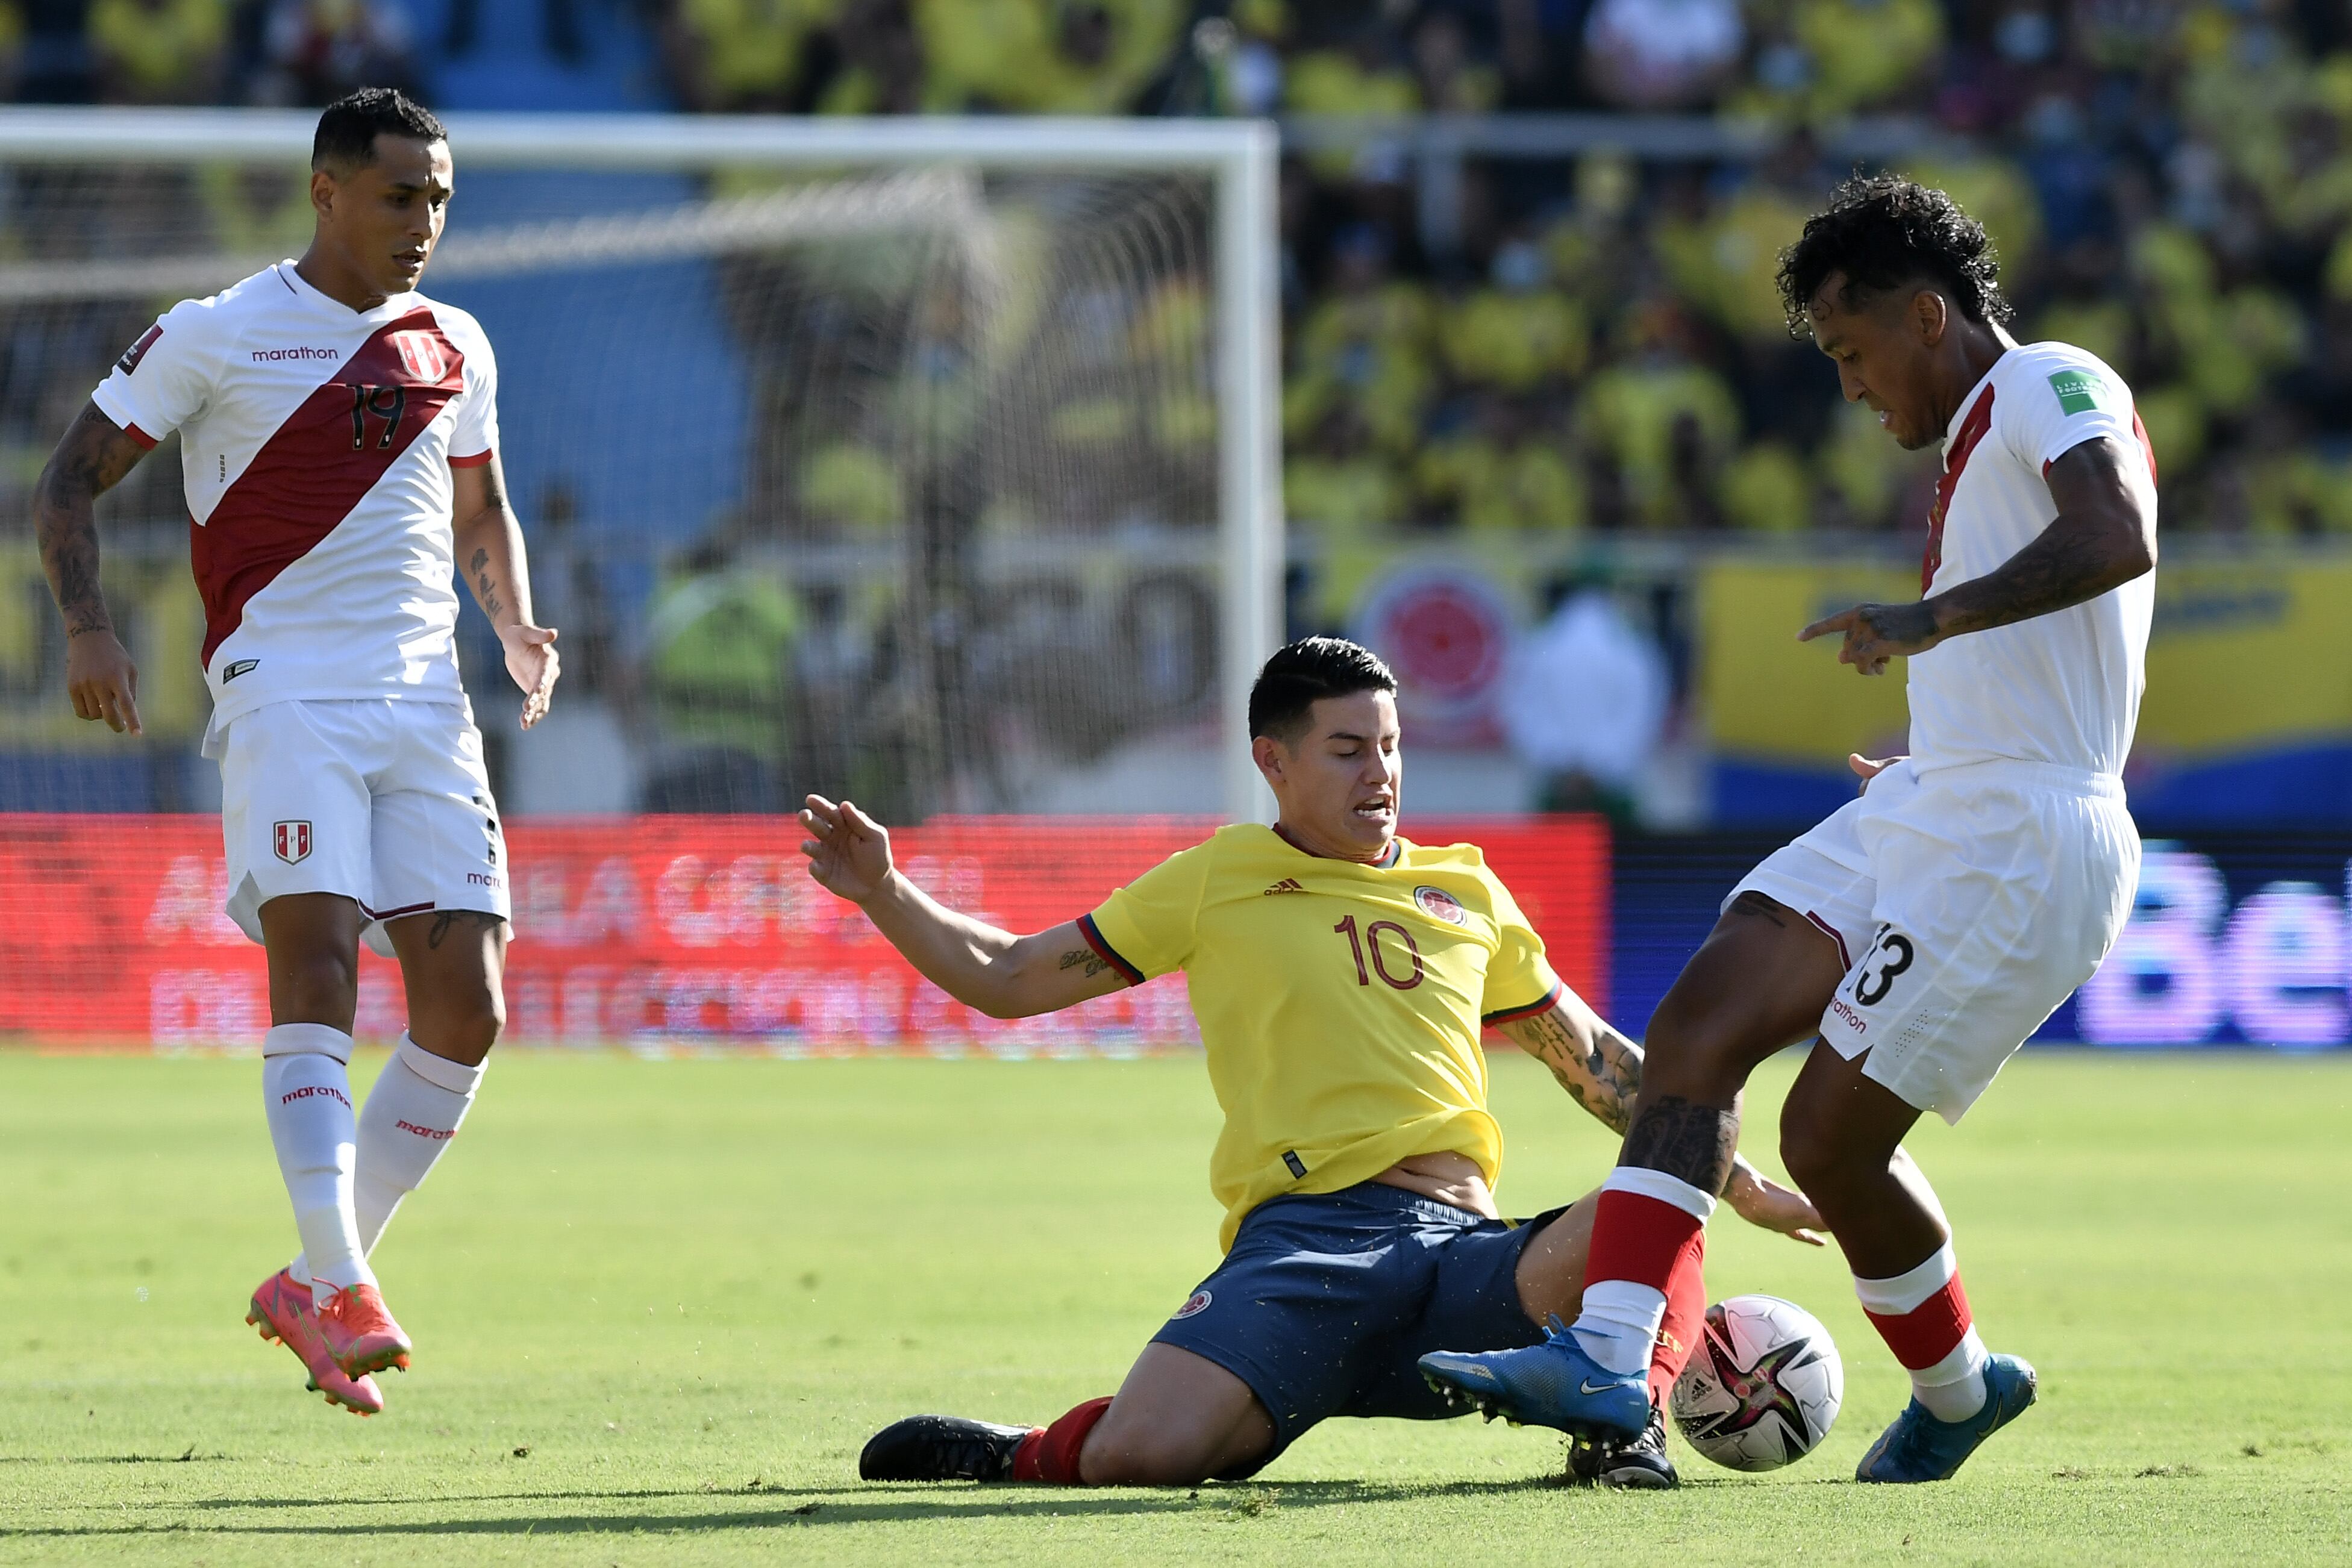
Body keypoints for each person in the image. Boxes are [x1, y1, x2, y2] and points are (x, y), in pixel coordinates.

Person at [1419, 175, 2156, 1484]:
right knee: (1699, 1025)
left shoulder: (2047, 379)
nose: (1849, 385)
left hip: (2022, 835)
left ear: (1926, 315)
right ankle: (1606, 1353)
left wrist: (1928, 624)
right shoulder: (1980, 429)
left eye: (1850, 351)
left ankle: (1956, 1386)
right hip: (1939, 797)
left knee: (1824, 1140)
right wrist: (1942, 736)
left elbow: (2117, 535)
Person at [800, 637, 1823, 1490]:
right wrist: (885, 893)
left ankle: (1621, 1426)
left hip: (1468, 1261)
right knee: (1143, 1458)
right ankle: (1024, 1451)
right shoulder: (1216, 879)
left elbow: (1595, 1061)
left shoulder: (1465, 890)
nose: (1380, 773)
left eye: (1389, 746)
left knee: (1660, 1206)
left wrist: (1730, 1179)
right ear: (1274, 762)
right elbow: (1012, 975)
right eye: (1346, 750)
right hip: (1305, 1247)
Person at [32, 87, 558, 1417]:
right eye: (399, 197)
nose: (423, 224)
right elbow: (66, 480)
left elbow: (480, 505)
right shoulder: (219, 332)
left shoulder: (457, 340)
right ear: (326, 193)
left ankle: (314, 1283)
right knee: (315, 957)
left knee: (466, 1010)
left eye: (438, 198)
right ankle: (343, 1277)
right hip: (285, 692)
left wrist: (511, 622)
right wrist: (88, 630)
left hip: (424, 702)